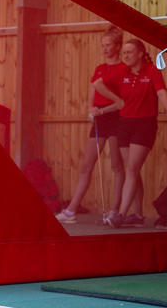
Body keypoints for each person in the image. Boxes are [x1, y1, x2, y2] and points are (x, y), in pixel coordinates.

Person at [92, 39, 167, 229]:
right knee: (131, 170)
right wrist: (117, 100)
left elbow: (161, 94)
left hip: (144, 124)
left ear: (141, 54)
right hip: (124, 124)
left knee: (133, 169)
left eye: (129, 52)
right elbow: (98, 84)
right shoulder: (121, 71)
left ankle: (120, 214)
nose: (125, 56)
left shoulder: (152, 71)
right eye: (124, 52)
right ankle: (137, 215)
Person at [56, 26, 126, 224]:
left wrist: (103, 110)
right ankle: (71, 211)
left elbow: (122, 100)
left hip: (115, 118)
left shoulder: (122, 69)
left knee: (116, 165)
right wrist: (91, 109)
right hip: (99, 120)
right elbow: (92, 93)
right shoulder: (99, 69)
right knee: (86, 165)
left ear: (117, 46)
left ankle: (114, 211)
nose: (104, 49)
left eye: (108, 45)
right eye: (102, 46)